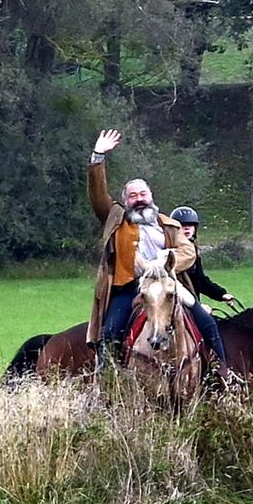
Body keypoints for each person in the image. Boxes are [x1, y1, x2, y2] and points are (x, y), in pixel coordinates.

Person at [85, 129, 195, 369]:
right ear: (126, 201)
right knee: (111, 333)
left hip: (167, 286)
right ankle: (107, 379)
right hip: (129, 287)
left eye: (143, 194)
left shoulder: (168, 224)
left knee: (204, 321)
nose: (139, 199)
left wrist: (166, 261)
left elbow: (189, 252)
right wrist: (98, 157)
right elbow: (97, 195)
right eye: (133, 196)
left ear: (151, 196)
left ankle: (219, 369)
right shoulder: (116, 219)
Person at [169, 206, 238, 381]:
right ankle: (222, 369)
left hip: (192, 301)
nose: (186, 228)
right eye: (182, 226)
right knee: (209, 325)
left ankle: (212, 367)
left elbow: (201, 280)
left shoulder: (193, 252)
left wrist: (221, 295)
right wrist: (199, 306)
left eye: (190, 225)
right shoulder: (171, 254)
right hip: (175, 301)